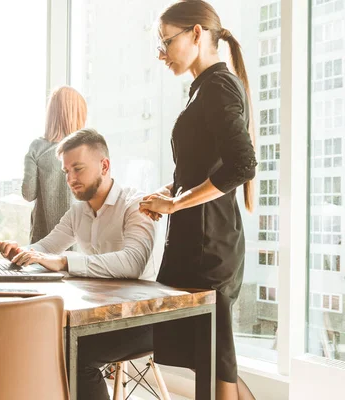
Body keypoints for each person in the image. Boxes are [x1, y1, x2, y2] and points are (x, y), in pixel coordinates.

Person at [139, 1, 257, 399]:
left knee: (214, 361)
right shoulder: (204, 89)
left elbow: (242, 165)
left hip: (211, 248)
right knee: (209, 359)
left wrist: (176, 203)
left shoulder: (218, 86)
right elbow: (201, 168)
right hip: (198, 242)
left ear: (196, 34)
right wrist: (168, 195)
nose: (161, 53)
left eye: (165, 42)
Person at [0, 128, 156, 400]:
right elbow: (46, 247)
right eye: (66, 172)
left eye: (77, 169)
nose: (70, 179)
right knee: (32, 338)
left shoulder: (135, 204)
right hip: (93, 315)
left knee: (74, 353)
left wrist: (64, 261)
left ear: (104, 165)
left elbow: (134, 263)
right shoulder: (79, 210)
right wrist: (20, 252)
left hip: (141, 318)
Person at [22, 86, 87, 244]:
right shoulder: (88, 147)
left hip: (44, 240)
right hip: (81, 239)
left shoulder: (37, 147)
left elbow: (28, 194)